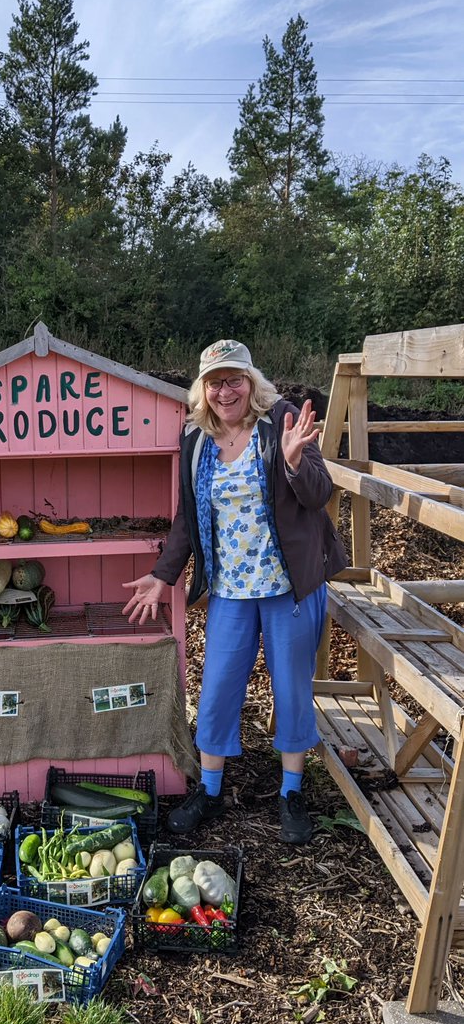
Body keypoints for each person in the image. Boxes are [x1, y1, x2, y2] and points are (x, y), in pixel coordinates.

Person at [122, 339, 347, 844]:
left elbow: (319, 494)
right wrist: (164, 574)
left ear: (252, 381)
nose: (227, 390)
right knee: (219, 688)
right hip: (230, 588)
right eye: (216, 381)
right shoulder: (196, 439)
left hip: (289, 585)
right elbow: (188, 517)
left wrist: (293, 461)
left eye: (235, 379)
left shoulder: (281, 420)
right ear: (204, 388)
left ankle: (291, 791)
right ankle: (210, 788)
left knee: (291, 686)